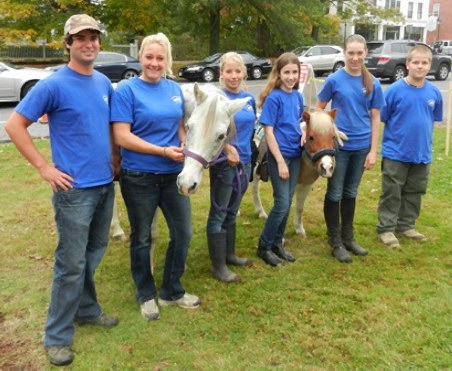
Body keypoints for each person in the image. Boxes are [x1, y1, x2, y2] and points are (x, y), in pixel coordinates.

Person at [4, 14, 118, 366]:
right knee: (70, 264)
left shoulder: (101, 82)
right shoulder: (53, 84)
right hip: (74, 192)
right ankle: (56, 336)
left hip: (103, 186)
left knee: (94, 253)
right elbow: (14, 124)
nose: (89, 43)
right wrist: (44, 167)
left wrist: (114, 158)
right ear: (68, 43)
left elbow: (106, 127)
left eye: (94, 38)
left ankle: (86, 309)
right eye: (81, 38)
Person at [110, 33, 200, 322]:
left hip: (173, 175)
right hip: (139, 176)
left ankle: (171, 290)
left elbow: (180, 126)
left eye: (160, 58)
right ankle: (146, 294)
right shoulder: (126, 90)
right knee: (142, 237)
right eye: (149, 57)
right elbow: (122, 136)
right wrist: (162, 150)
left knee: (183, 233)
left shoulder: (174, 89)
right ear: (140, 58)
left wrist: (184, 144)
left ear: (167, 60)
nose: (154, 63)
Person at [316, 34, 384, 263]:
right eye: (350, 53)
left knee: (351, 192)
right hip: (340, 147)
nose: (355, 57)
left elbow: (375, 118)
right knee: (335, 192)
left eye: (359, 53)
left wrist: (373, 150)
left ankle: (348, 237)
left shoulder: (372, 82)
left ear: (365, 53)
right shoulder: (335, 80)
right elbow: (319, 110)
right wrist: (331, 129)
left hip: (361, 146)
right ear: (344, 53)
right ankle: (335, 241)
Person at [377, 45, 443, 248]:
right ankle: (386, 228)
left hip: (421, 153)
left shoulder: (434, 92)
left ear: (430, 65)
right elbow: (383, 118)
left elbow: (433, 120)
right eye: (415, 62)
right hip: (396, 152)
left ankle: (406, 225)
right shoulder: (394, 91)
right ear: (407, 64)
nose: (420, 67)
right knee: (392, 191)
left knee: (415, 191)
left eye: (424, 63)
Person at [206, 52, 255, 283]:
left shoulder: (248, 99)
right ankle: (218, 267)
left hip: (244, 162)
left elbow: (250, 130)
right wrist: (226, 149)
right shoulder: (215, 99)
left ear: (243, 73)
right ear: (221, 74)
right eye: (228, 71)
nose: (233, 76)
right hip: (224, 164)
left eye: (237, 71)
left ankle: (229, 254)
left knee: (232, 211)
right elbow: (208, 133)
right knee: (219, 212)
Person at [256, 52, 303, 267]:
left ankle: (277, 243)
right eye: (287, 72)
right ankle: (264, 246)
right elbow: (269, 131)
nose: (291, 76)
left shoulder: (297, 96)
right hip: (279, 157)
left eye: (294, 72)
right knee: (282, 203)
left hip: (296, 155)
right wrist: (280, 161)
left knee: (288, 200)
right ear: (279, 73)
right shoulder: (274, 98)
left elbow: (297, 122)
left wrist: (303, 132)